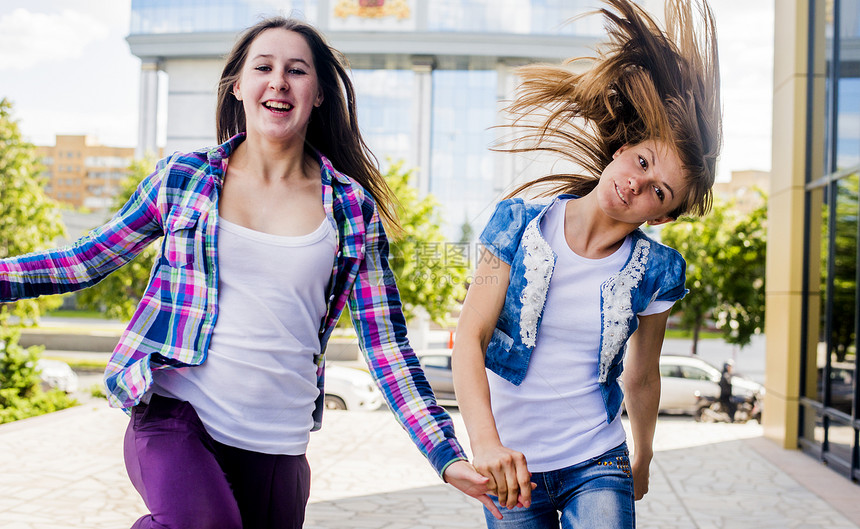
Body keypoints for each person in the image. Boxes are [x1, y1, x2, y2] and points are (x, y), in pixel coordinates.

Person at [0, 17, 497, 529]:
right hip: (178, 414)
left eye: (297, 70)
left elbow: (387, 346)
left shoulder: (351, 208)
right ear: (238, 86)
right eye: (264, 67)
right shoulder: (184, 180)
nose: (279, 81)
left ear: (320, 93)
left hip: (277, 441)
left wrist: (445, 454)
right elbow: (84, 260)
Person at [451, 0, 721, 527]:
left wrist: (642, 453)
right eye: (642, 161)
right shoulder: (514, 225)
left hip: (598, 461)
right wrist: (484, 445)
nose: (638, 183)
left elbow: (642, 377)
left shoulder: (658, 272)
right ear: (622, 149)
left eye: (658, 190)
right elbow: (469, 338)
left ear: (662, 216)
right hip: (511, 471)